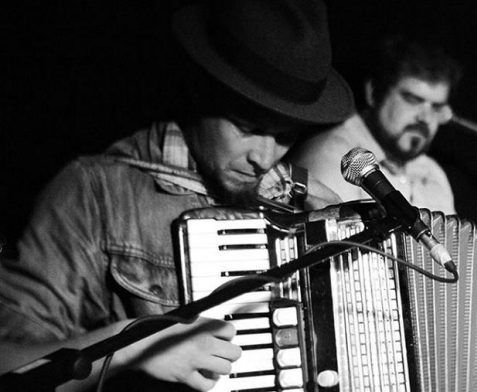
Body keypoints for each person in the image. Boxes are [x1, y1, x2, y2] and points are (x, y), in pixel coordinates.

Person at [0, 0, 352, 391]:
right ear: (200, 92)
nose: (264, 158)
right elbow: (11, 368)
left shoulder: (296, 195)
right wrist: (131, 346)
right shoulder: (95, 191)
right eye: (247, 127)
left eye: (285, 136)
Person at [288, 36, 462, 215]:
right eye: (412, 100)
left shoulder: (432, 173)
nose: (425, 118)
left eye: (436, 107)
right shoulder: (332, 157)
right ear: (373, 93)